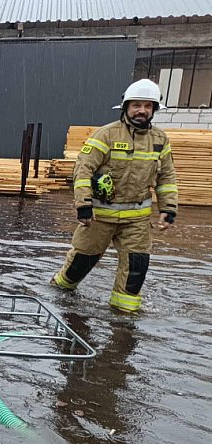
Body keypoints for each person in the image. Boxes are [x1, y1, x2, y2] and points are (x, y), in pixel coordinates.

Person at [51, 79, 178, 313]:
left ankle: (123, 321)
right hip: (99, 216)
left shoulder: (160, 140)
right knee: (80, 263)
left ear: (154, 109)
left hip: (137, 219)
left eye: (148, 106)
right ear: (126, 107)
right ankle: (56, 296)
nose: (142, 110)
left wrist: (168, 209)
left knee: (136, 267)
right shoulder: (106, 135)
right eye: (137, 105)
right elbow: (83, 170)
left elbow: (167, 177)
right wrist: (84, 206)